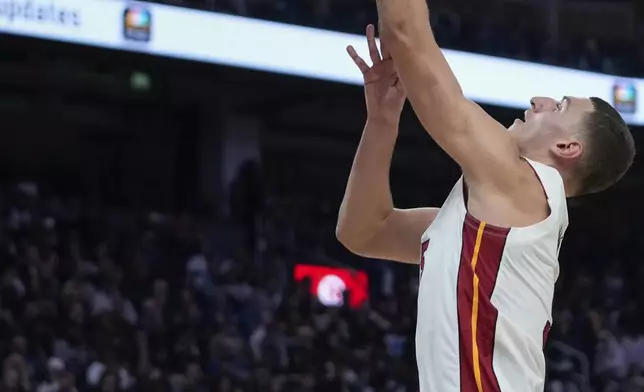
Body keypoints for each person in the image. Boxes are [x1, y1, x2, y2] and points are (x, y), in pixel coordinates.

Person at [336, 16, 634, 392]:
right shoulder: (500, 222)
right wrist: (381, 121)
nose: (538, 101)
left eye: (558, 107)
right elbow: (364, 230)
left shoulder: (526, 185)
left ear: (566, 148)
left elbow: (406, 34)